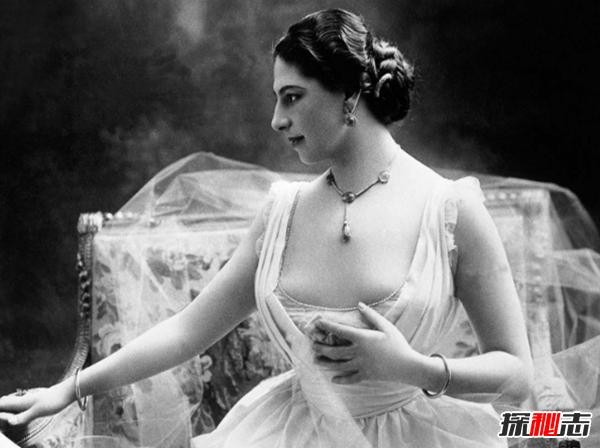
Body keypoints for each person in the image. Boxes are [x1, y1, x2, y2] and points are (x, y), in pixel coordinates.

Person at [0, 9, 533, 447]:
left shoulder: (450, 210)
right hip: (286, 433)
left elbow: (517, 374)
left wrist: (415, 368)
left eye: (292, 97)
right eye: (277, 99)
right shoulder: (282, 214)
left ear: (349, 93)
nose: (277, 119)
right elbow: (186, 332)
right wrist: (68, 389)